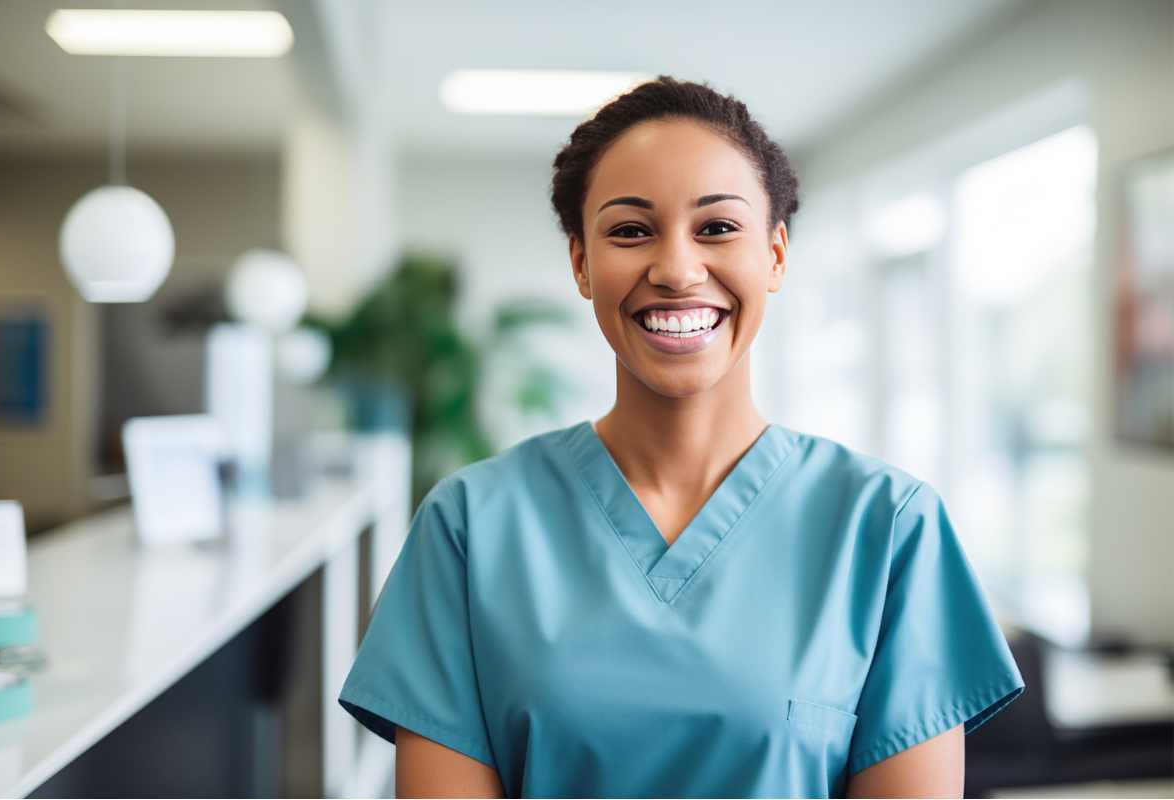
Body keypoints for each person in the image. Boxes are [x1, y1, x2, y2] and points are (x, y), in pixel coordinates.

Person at [338, 75, 1025, 799]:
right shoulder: (469, 525)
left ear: (776, 255)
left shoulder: (886, 528)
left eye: (718, 228)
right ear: (581, 261)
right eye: (630, 230)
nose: (675, 269)